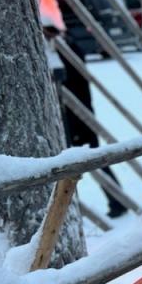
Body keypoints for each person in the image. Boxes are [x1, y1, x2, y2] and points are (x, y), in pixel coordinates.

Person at [43, 22, 128, 219]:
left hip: (78, 116)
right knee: (86, 161)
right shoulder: (62, 48)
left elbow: (68, 79)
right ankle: (116, 200)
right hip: (69, 116)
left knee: (93, 159)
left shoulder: (66, 49)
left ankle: (117, 200)